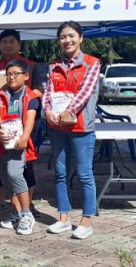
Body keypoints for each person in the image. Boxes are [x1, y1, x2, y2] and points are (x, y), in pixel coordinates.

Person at [43, 21, 100, 240]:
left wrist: (69, 111)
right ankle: (63, 219)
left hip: (81, 127)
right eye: (63, 37)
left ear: (81, 37)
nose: (67, 40)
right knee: (60, 173)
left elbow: (85, 92)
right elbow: (48, 92)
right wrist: (47, 111)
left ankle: (86, 221)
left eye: (71, 36)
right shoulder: (53, 65)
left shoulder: (92, 63)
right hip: (57, 127)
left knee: (85, 173)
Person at [0, 29, 43, 216]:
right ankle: (2, 202)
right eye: (4, 42)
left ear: (19, 44)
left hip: (24, 123)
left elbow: (39, 92)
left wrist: (23, 98)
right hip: (1, 124)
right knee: (0, 164)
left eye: (12, 41)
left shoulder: (31, 66)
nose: (8, 45)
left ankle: (28, 205)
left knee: (25, 166)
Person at [0, 60, 40, 235]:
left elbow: (31, 118)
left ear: (26, 76)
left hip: (19, 144)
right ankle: (17, 212)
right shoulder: (1, 94)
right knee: (7, 179)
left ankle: (27, 214)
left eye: (16, 74)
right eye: (9, 74)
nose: (11, 77)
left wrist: (25, 138)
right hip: (1, 142)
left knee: (15, 174)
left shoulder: (30, 97)